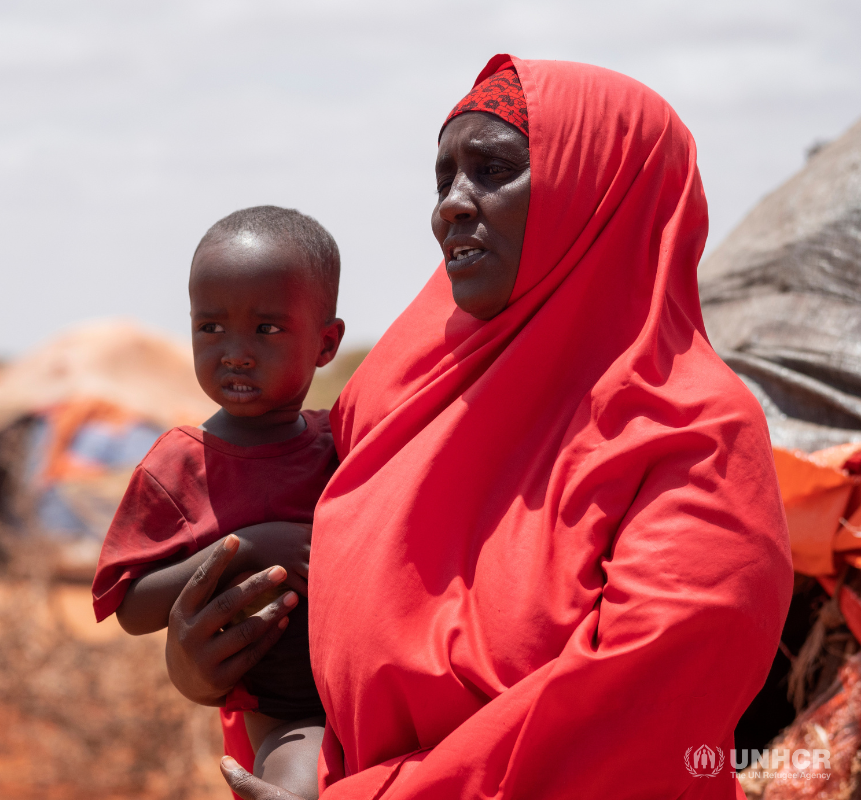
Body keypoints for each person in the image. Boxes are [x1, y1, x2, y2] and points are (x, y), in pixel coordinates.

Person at [165, 55, 794, 799]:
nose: (451, 207)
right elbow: (316, 614)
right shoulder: (394, 392)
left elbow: (635, 711)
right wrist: (213, 664)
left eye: (492, 170)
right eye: (443, 179)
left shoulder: (692, 434)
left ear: (600, 190)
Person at [91, 206, 346, 799]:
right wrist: (250, 547)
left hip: (383, 688)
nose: (235, 351)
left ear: (326, 343)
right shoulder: (180, 465)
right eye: (210, 328)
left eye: (266, 329)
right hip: (291, 713)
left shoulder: (345, 438)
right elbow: (130, 606)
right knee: (296, 789)